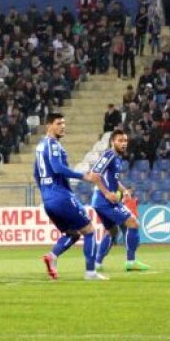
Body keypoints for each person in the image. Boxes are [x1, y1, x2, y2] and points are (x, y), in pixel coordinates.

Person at [36, 113, 104, 280]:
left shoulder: (40, 146)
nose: (63, 126)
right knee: (89, 231)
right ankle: (90, 272)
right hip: (61, 197)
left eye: (64, 123)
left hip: (49, 200)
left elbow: (36, 174)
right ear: (49, 126)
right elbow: (58, 168)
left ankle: (52, 257)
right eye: (59, 123)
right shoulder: (53, 145)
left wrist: (46, 195)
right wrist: (84, 176)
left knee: (72, 233)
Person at [90, 129, 148, 272]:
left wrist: (124, 191)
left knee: (112, 231)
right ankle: (131, 262)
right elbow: (93, 175)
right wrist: (107, 193)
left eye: (125, 141)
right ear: (112, 142)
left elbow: (113, 181)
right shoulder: (109, 155)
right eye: (120, 141)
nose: (123, 144)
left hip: (101, 200)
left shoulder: (117, 158)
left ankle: (97, 264)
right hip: (104, 200)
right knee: (133, 223)